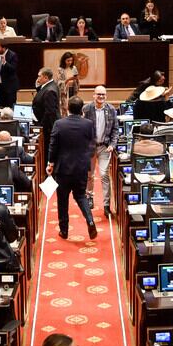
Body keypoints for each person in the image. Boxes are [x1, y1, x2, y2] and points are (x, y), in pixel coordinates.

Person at [47, 96, 97, 240]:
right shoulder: (88, 124)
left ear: (67, 108)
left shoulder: (59, 124)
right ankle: (90, 220)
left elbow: (53, 145)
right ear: (82, 109)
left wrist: (51, 163)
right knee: (81, 196)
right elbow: (91, 144)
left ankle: (64, 231)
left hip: (63, 169)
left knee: (62, 200)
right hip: (81, 167)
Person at [86, 87, 118, 218]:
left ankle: (106, 205)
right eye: (98, 94)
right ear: (94, 95)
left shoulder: (111, 110)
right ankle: (89, 197)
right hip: (90, 147)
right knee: (89, 174)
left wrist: (112, 144)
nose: (101, 96)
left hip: (105, 147)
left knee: (104, 174)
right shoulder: (87, 109)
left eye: (103, 94)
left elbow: (115, 130)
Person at [33, 68, 60, 151]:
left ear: (45, 78)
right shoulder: (50, 85)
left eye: (39, 76)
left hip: (47, 128)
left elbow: (49, 112)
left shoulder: (50, 91)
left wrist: (41, 126)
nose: (37, 78)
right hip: (45, 125)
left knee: (46, 150)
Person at [0, 41, 19, 108]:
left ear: (4, 48)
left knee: (10, 107)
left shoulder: (12, 55)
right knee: (1, 106)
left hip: (9, 87)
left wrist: (5, 63)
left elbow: (13, 69)